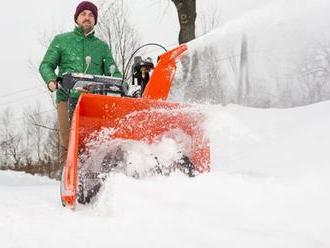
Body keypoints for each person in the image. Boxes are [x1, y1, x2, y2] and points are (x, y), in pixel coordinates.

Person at [39, 1, 121, 167]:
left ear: (95, 20)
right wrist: (51, 80)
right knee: (69, 144)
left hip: (94, 103)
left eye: (91, 15)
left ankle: (95, 183)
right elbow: (46, 65)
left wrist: (120, 86)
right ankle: (69, 184)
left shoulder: (101, 47)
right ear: (76, 18)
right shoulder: (61, 41)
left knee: (94, 144)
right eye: (83, 14)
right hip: (66, 97)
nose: (87, 17)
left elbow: (114, 73)